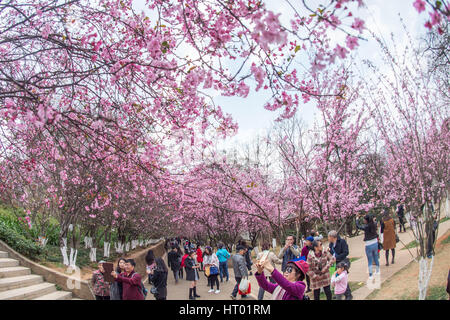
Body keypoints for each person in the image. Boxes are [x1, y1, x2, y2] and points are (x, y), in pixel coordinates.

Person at [328, 230, 352, 299]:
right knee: (337, 278)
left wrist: (337, 257)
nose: (328, 239)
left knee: (343, 278)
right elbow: (333, 253)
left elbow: (346, 252)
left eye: (329, 237)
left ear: (332, 237)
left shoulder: (342, 242)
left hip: (343, 262)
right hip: (337, 263)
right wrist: (329, 251)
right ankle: (339, 293)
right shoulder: (331, 244)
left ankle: (348, 295)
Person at [356, 214, 380, 280]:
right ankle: (377, 271)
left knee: (370, 260)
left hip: (369, 244)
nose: (363, 220)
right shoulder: (374, 224)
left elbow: (358, 226)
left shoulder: (366, 227)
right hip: (375, 243)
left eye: (364, 219)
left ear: (366, 220)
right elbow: (375, 221)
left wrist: (357, 219)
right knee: (376, 257)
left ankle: (371, 275)